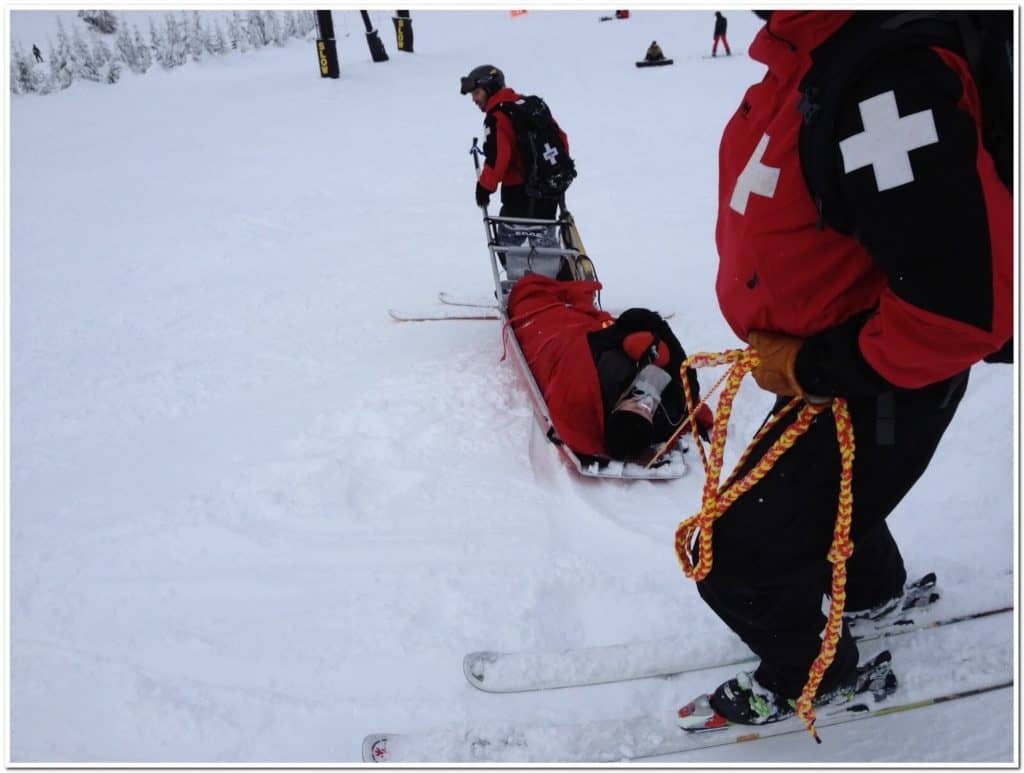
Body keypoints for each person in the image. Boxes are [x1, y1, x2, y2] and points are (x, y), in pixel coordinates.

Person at [688, 10, 1012, 726]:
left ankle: (818, 677)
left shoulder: (887, 79)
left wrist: (809, 363)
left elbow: (960, 310)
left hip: (880, 376)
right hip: (843, 370)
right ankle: (872, 593)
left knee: (727, 553)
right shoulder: (810, 52)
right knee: (825, 500)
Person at [460, 65, 569, 220]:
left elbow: (498, 157)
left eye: (477, 93)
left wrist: (484, 187)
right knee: (544, 241)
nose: (474, 100)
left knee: (509, 242)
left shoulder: (497, 117)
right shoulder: (529, 106)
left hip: (518, 196)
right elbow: (561, 139)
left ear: (490, 89)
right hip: (549, 194)